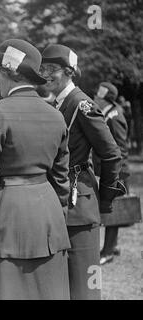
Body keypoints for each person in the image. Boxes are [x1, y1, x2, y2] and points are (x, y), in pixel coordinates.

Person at [0, 39, 71, 300]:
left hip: (3, 224)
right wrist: (55, 221)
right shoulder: (56, 115)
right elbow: (61, 180)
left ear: (10, 72)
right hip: (49, 223)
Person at [41, 44, 126, 300]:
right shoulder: (57, 103)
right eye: (43, 69)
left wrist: (107, 200)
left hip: (80, 205)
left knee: (85, 287)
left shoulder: (82, 105)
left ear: (69, 71)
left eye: (52, 69)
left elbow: (112, 153)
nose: (46, 74)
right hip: (57, 201)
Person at [93, 82, 130, 265]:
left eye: (98, 97)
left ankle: (107, 250)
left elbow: (121, 149)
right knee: (111, 209)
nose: (94, 99)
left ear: (105, 99)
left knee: (113, 211)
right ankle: (112, 245)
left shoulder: (114, 117)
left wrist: (117, 174)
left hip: (118, 172)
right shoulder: (107, 114)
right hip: (114, 170)